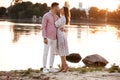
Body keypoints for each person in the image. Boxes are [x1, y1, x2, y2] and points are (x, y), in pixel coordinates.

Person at [42, 2, 59, 74]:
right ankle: (44, 68)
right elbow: (43, 27)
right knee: (45, 52)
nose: (58, 8)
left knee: (53, 53)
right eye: (57, 7)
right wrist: (44, 38)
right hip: (48, 37)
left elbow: (58, 27)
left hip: (55, 38)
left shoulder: (57, 17)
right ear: (54, 7)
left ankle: (51, 67)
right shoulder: (46, 15)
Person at [55, 7, 70, 72]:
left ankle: (65, 66)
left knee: (61, 51)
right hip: (62, 34)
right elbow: (61, 26)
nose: (60, 10)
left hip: (61, 35)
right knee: (62, 51)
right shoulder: (63, 17)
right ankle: (62, 66)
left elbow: (56, 24)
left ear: (64, 11)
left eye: (62, 9)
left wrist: (54, 20)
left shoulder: (62, 17)